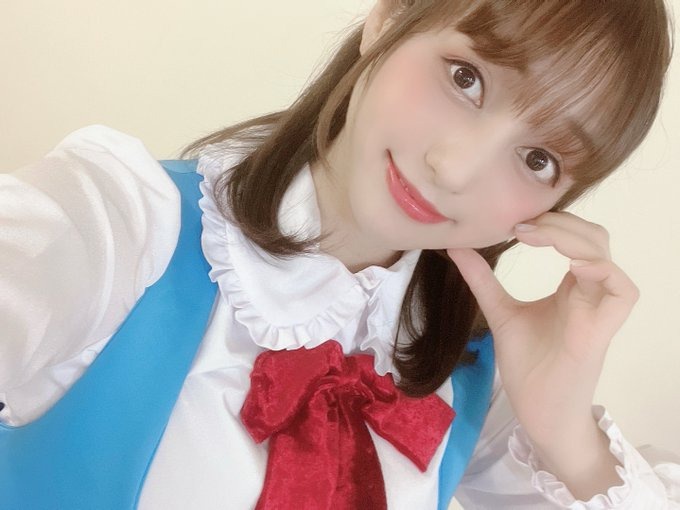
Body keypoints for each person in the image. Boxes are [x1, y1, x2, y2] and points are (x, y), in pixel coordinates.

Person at [1, 0, 679, 508]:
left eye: (537, 159)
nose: (454, 168)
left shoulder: (477, 380)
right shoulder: (122, 224)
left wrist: (566, 436)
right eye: (465, 78)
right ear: (390, 18)